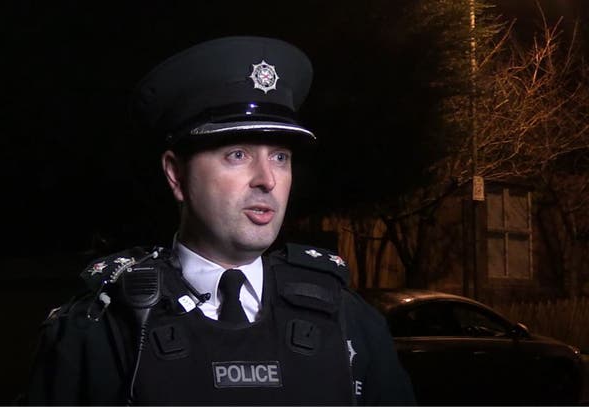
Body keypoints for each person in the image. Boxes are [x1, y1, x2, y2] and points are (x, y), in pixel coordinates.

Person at [22, 36, 415, 405]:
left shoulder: (350, 322)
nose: (267, 179)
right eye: (238, 154)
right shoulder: (101, 329)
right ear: (176, 175)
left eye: (280, 156)